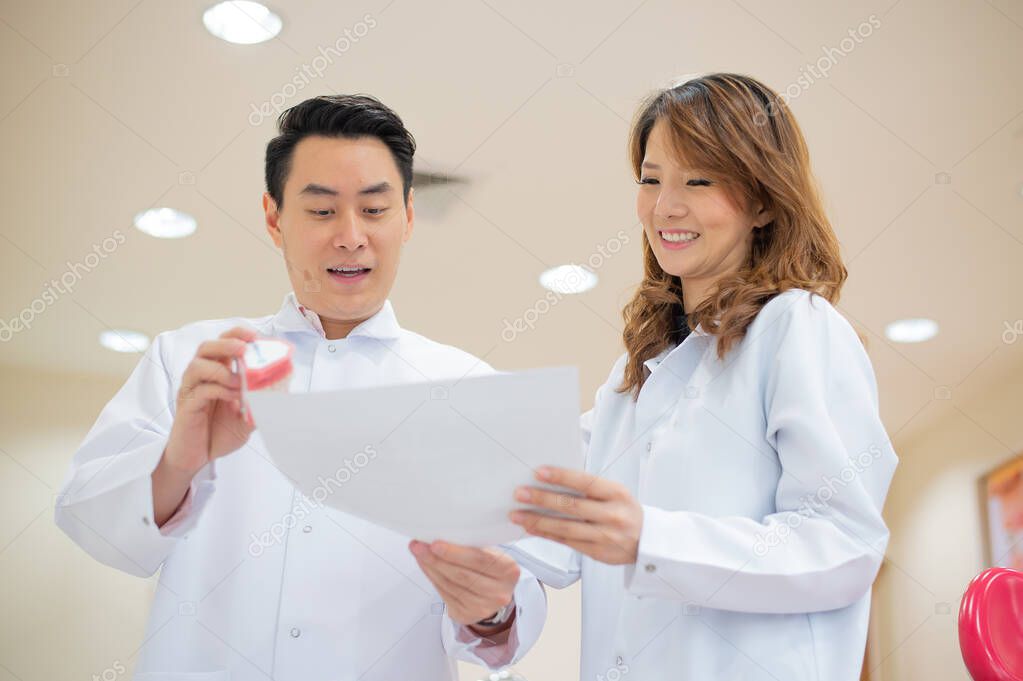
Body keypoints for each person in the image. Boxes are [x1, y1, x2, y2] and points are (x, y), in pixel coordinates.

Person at [55, 94, 545, 681]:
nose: (351, 236)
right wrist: (178, 464)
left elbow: (518, 589)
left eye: (374, 209)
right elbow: (95, 529)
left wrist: (490, 610)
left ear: (409, 216)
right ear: (274, 218)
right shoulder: (191, 361)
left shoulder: (465, 388)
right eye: (321, 210)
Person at [508, 73, 898, 681]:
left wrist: (653, 541)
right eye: (651, 179)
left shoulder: (797, 327)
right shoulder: (633, 380)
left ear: (764, 201)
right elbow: (555, 513)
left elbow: (843, 544)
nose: (665, 206)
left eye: (699, 180)